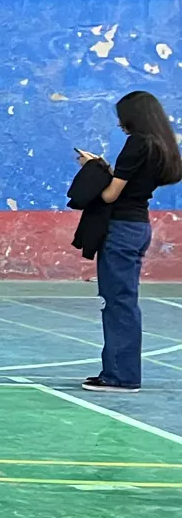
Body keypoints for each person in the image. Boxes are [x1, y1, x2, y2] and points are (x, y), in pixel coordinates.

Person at [76, 91, 182, 393]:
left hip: (121, 229)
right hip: (137, 226)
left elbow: (111, 194)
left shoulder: (137, 143)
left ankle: (122, 376)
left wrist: (91, 169)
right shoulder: (161, 146)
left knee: (118, 302)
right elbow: (130, 184)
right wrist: (108, 170)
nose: (121, 123)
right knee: (120, 301)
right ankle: (115, 371)